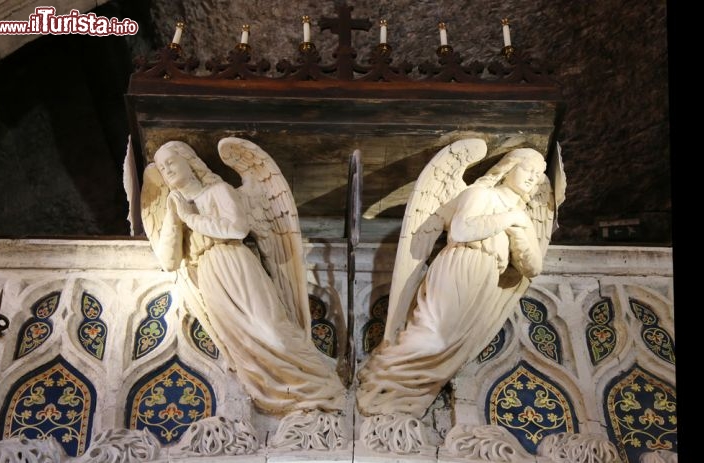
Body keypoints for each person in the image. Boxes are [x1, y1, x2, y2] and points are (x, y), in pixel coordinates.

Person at [146, 140, 346, 417]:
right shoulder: (177, 209)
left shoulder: (218, 191)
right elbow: (169, 262)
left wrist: (191, 219)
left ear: (188, 161)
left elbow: (238, 229)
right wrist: (173, 216)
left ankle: (322, 385)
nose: (166, 169)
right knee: (245, 345)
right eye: (161, 167)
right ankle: (283, 395)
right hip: (210, 277)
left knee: (272, 329)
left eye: (171, 161)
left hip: (236, 263)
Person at [356, 148, 549, 420]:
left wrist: (517, 229)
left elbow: (533, 266)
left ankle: (408, 390)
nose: (533, 178)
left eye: (539, 175)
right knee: (433, 335)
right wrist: (508, 219)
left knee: (451, 346)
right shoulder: (481, 194)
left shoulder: (522, 216)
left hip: (487, 278)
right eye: (528, 169)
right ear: (509, 167)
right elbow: (461, 230)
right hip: (460, 265)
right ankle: (381, 379)